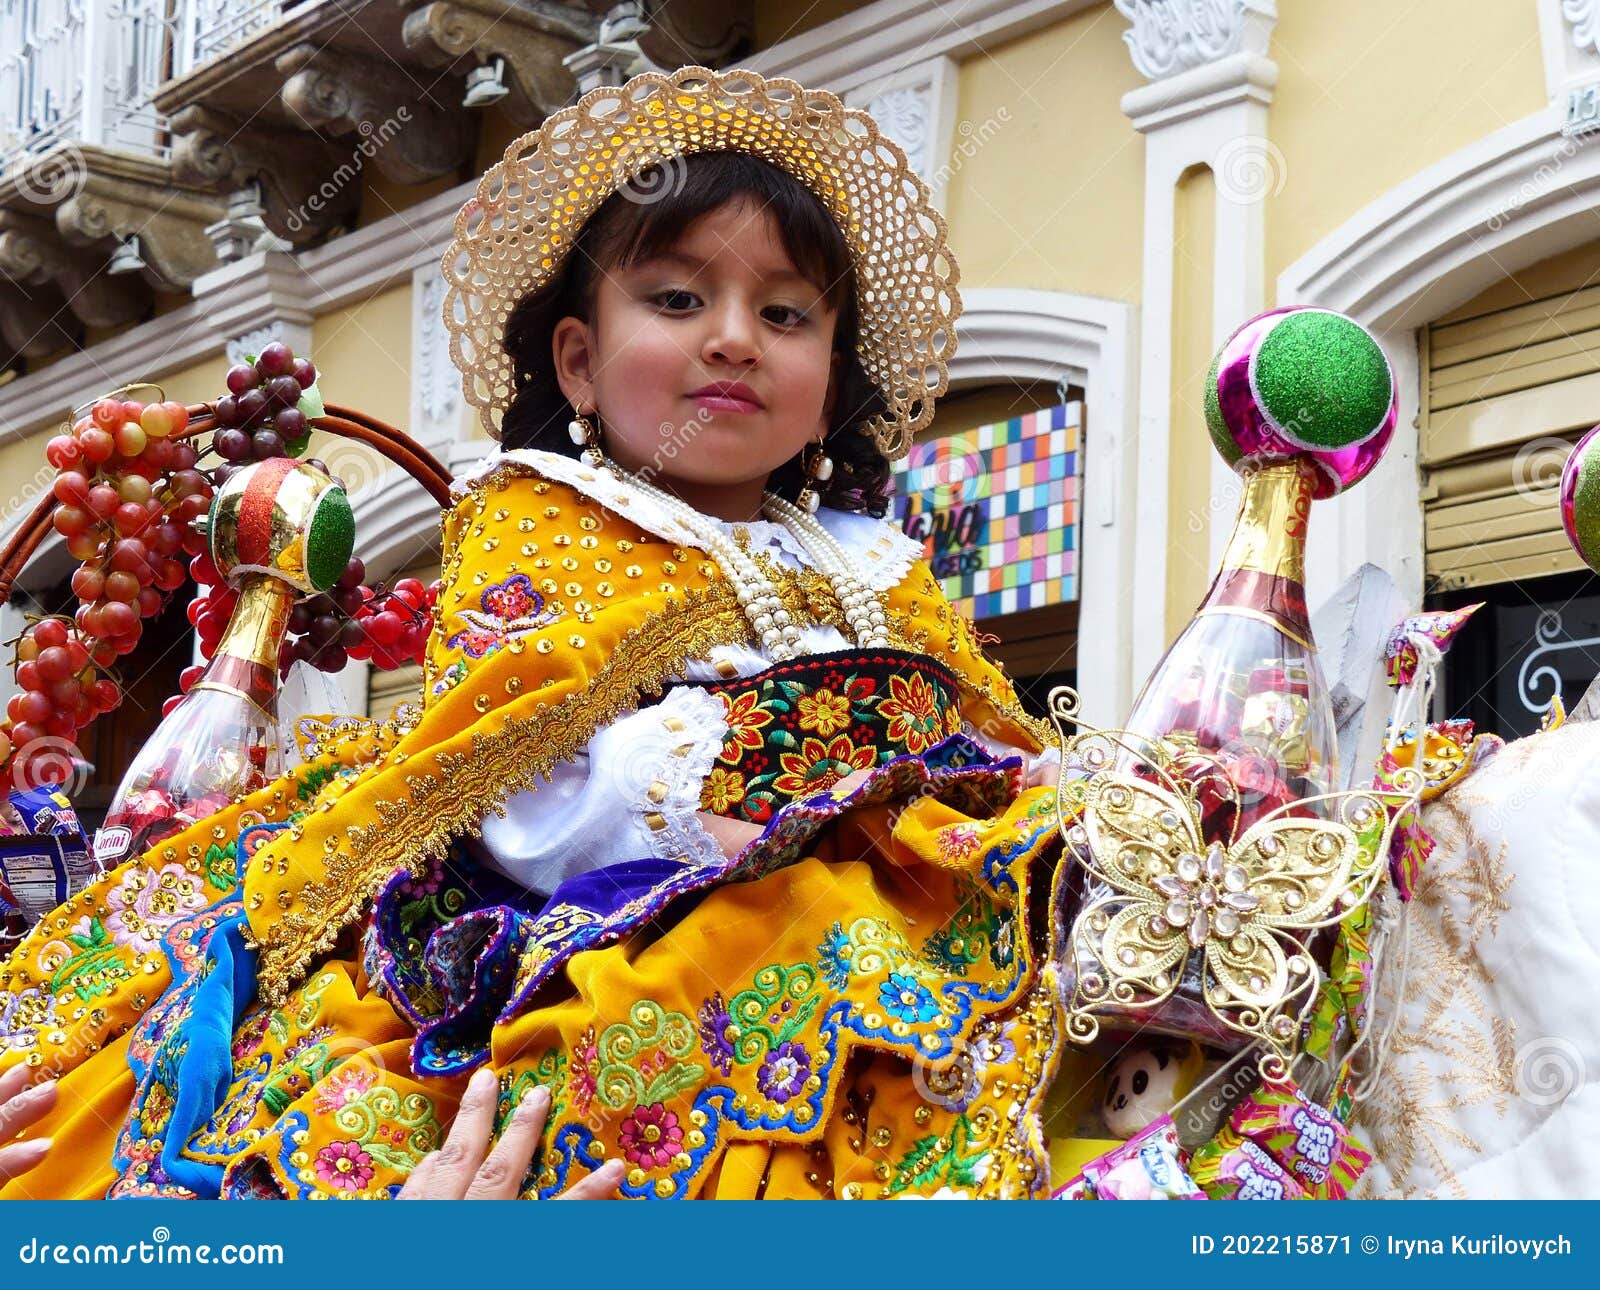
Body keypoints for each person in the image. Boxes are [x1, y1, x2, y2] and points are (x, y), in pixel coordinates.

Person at [0, 66, 1063, 1200]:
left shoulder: (873, 560)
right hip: (620, 936)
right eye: (676, 300)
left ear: (829, 381)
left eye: (786, 313)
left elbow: (992, 741)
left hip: (906, 913)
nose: (735, 339)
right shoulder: (540, 517)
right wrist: (758, 759)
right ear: (577, 363)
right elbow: (509, 781)